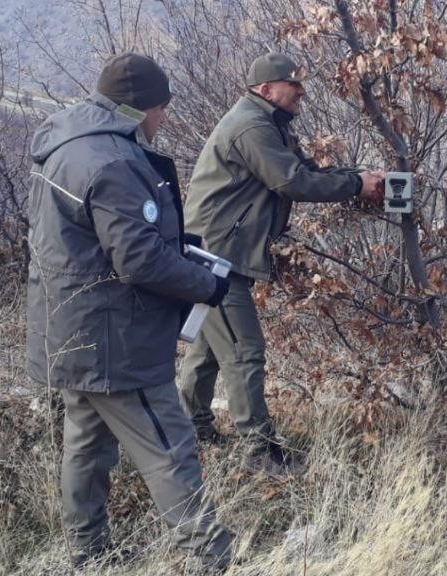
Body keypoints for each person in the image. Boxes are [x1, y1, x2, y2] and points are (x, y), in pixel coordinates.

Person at [26, 53, 233, 571]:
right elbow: (138, 258)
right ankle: (212, 556)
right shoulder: (115, 162)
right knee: (168, 445)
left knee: (86, 445)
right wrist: (206, 284)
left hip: (70, 328)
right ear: (140, 109)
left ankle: (88, 552)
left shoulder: (65, 146)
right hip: (116, 337)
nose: (164, 119)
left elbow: (92, 244)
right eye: (162, 108)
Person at [177, 52, 385, 472]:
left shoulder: (268, 123)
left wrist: (357, 179)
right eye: (294, 84)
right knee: (243, 350)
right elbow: (293, 182)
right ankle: (259, 451)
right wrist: (355, 185)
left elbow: (304, 169)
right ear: (266, 89)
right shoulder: (252, 126)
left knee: (209, 349)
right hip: (216, 257)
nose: (302, 91)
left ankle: (190, 431)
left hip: (213, 252)